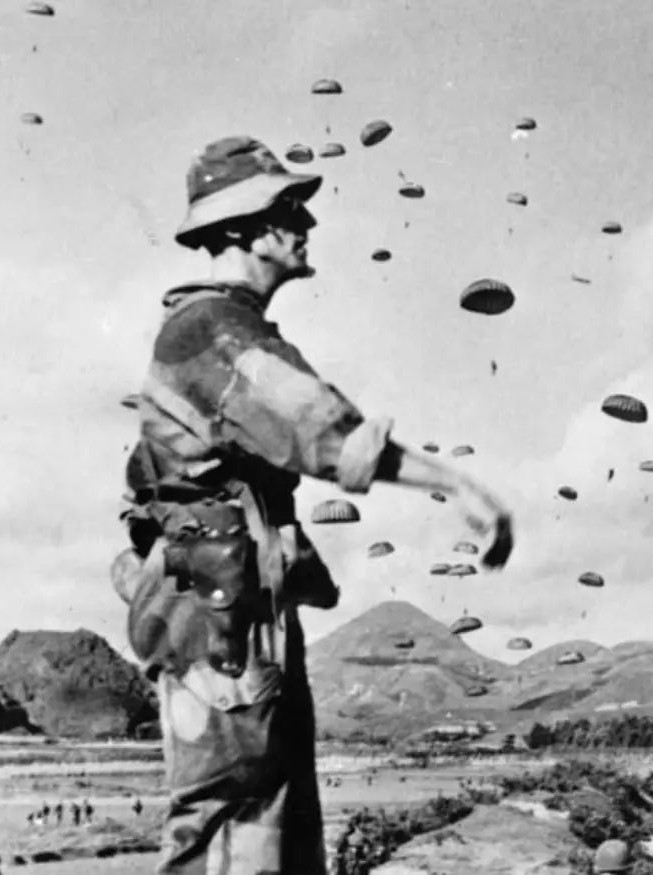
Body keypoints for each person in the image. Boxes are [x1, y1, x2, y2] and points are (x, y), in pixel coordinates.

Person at [113, 135, 517, 875]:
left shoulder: (216, 328)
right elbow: (322, 432)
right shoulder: (213, 332)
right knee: (232, 829)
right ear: (241, 229)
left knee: (272, 830)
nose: (307, 223)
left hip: (229, 607)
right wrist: (455, 484)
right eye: (288, 207)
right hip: (222, 622)